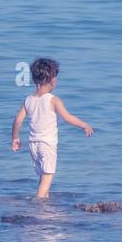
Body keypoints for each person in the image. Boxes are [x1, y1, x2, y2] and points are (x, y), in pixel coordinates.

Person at [10, 58, 93, 199]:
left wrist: (15, 138)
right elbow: (67, 117)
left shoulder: (28, 100)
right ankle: (38, 204)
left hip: (33, 145)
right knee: (48, 176)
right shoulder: (53, 100)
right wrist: (84, 125)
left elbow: (18, 120)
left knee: (43, 177)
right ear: (51, 79)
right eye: (56, 76)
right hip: (47, 145)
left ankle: (44, 200)